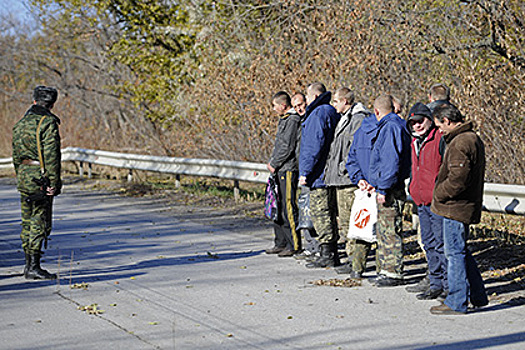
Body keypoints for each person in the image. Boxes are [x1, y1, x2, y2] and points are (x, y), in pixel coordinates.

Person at [429, 104, 488, 315]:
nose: (439, 131)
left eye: (439, 126)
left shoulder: (460, 142)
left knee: (454, 252)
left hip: (456, 207)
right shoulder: (470, 138)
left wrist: (439, 193)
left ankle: (456, 301)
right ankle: (478, 295)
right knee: (461, 250)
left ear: (446, 121)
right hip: (463, 205)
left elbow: (457, 179)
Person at [12, 86, 62, 280]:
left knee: (27, 219)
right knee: (39, 219)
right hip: (40, 175)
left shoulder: (21, 123)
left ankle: (28, 263)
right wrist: (54, 183)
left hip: (24, 173)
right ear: (51, 104)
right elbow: (51, 156)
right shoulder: (47, 123)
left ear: (34, 101)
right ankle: (33, 266)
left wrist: (20, 174)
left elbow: (16, 154)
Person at [323, 87, 368, 274]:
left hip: (349, 179)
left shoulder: (358, 120)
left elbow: (355, 149)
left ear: (345, 101)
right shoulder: (345, 118)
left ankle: (354, 260)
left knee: (352, 222)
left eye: (336, 101)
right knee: (345, 221)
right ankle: (351, 258)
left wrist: (345, 168)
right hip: (339, 179)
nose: (334, 105)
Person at [405, 102, 447, 300]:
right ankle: (435, 282)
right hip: (420, 200)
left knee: (441, 244)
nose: (417, 125)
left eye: (420, 121)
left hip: (436, 201)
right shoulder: (414, 142)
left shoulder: (439, 139)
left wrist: (440, 191)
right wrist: (413, 187)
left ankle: (448, 285)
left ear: (429, 120)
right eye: (413, 123)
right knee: (428, 243)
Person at [368, 95, 411, 287]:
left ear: (376, 111)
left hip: (391, 187)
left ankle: (393, 271)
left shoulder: (390, 128)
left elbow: (389, 160)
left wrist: (383, 188)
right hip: (390, 184)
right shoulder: (395, 125)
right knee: (385, 229)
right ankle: (386, 268)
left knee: (390, 229)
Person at [298, 82, 340, 268]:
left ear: (314, 96)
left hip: (319, 174)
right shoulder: (329, 110)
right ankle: (331, 251)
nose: (305, 101)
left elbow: (313, 146)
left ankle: (327, 253)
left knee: (321, 213)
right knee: (328, 213)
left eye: (306, 97)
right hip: (329, 171)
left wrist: (305, 171)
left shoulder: (317, 114)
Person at [265, 91, 302, 257]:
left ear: (283, 105)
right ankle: (280, 242)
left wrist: (274, 163)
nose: (273, 109)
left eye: (275, 106)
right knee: (277, 207)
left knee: (288, 207)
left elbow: (287, 147)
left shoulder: (292, 120)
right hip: (280, 169)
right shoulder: (284, 120)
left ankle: (293, 243)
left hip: (287, 169)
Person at [345, 112, 379, 279]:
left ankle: (357, 268)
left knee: (362, 227)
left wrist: (359, 179)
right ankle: (383, 270)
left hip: (365, 187)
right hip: (380, 188)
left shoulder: (360, 131)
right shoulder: (389, 129)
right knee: (383, 232)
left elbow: (351, 159)